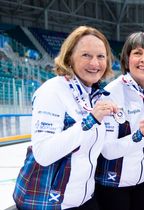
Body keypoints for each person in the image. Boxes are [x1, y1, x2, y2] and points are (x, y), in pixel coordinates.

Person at [13, 26, 117, 209]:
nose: (95, 63)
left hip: (83, 198)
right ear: (69, 57)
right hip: (46, 202)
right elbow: (44, 154)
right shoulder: (52, 91)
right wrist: (90, 120)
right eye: (86, 55)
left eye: (101, 56)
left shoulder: (95, 95)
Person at [94, 32, 144, 210]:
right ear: (126, 58)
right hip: (113, 184)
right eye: (137, 53)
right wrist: (140, 135)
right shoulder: (111, 93)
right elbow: (108, 150)